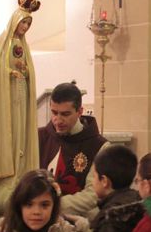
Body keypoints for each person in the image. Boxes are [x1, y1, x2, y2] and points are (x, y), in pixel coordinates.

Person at [0, 0, 41, 215]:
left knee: (21, 131)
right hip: (7, 96)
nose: (25, 28)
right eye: (23, 23)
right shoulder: (0, 43)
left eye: (28, 24)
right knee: (10, 131)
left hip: (21, 94)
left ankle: (21, 172)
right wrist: (9, 72)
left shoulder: (25, 46)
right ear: (15, 21)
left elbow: (28, 70)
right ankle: (7, 175)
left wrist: (25, 71)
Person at [38, 82, 109, 220]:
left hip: (78, 221)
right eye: (54, 112)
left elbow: (93, 193)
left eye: (65, 114)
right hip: (39, 217)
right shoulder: (39, 137)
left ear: (80, 111)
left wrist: (52, 206)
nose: (58, 120)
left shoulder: (100, 147)